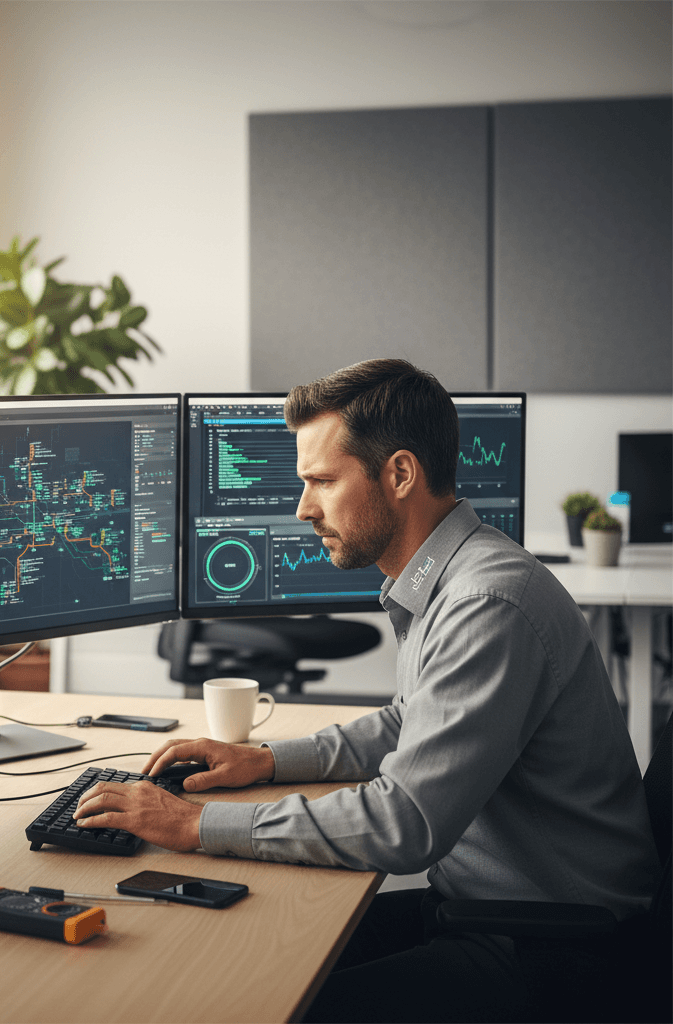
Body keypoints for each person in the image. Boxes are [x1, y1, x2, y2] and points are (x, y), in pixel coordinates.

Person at [72, 358, 659, 1022]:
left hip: (555, 947)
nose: (303, 508)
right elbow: (409, 722)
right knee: (245, 958)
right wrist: (266, 760)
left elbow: (403, 824)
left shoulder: (487, 602)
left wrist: (195, 823)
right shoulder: (452, 577)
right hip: (488, 910)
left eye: (322, 481)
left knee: (252, 1001)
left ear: (400, 474)